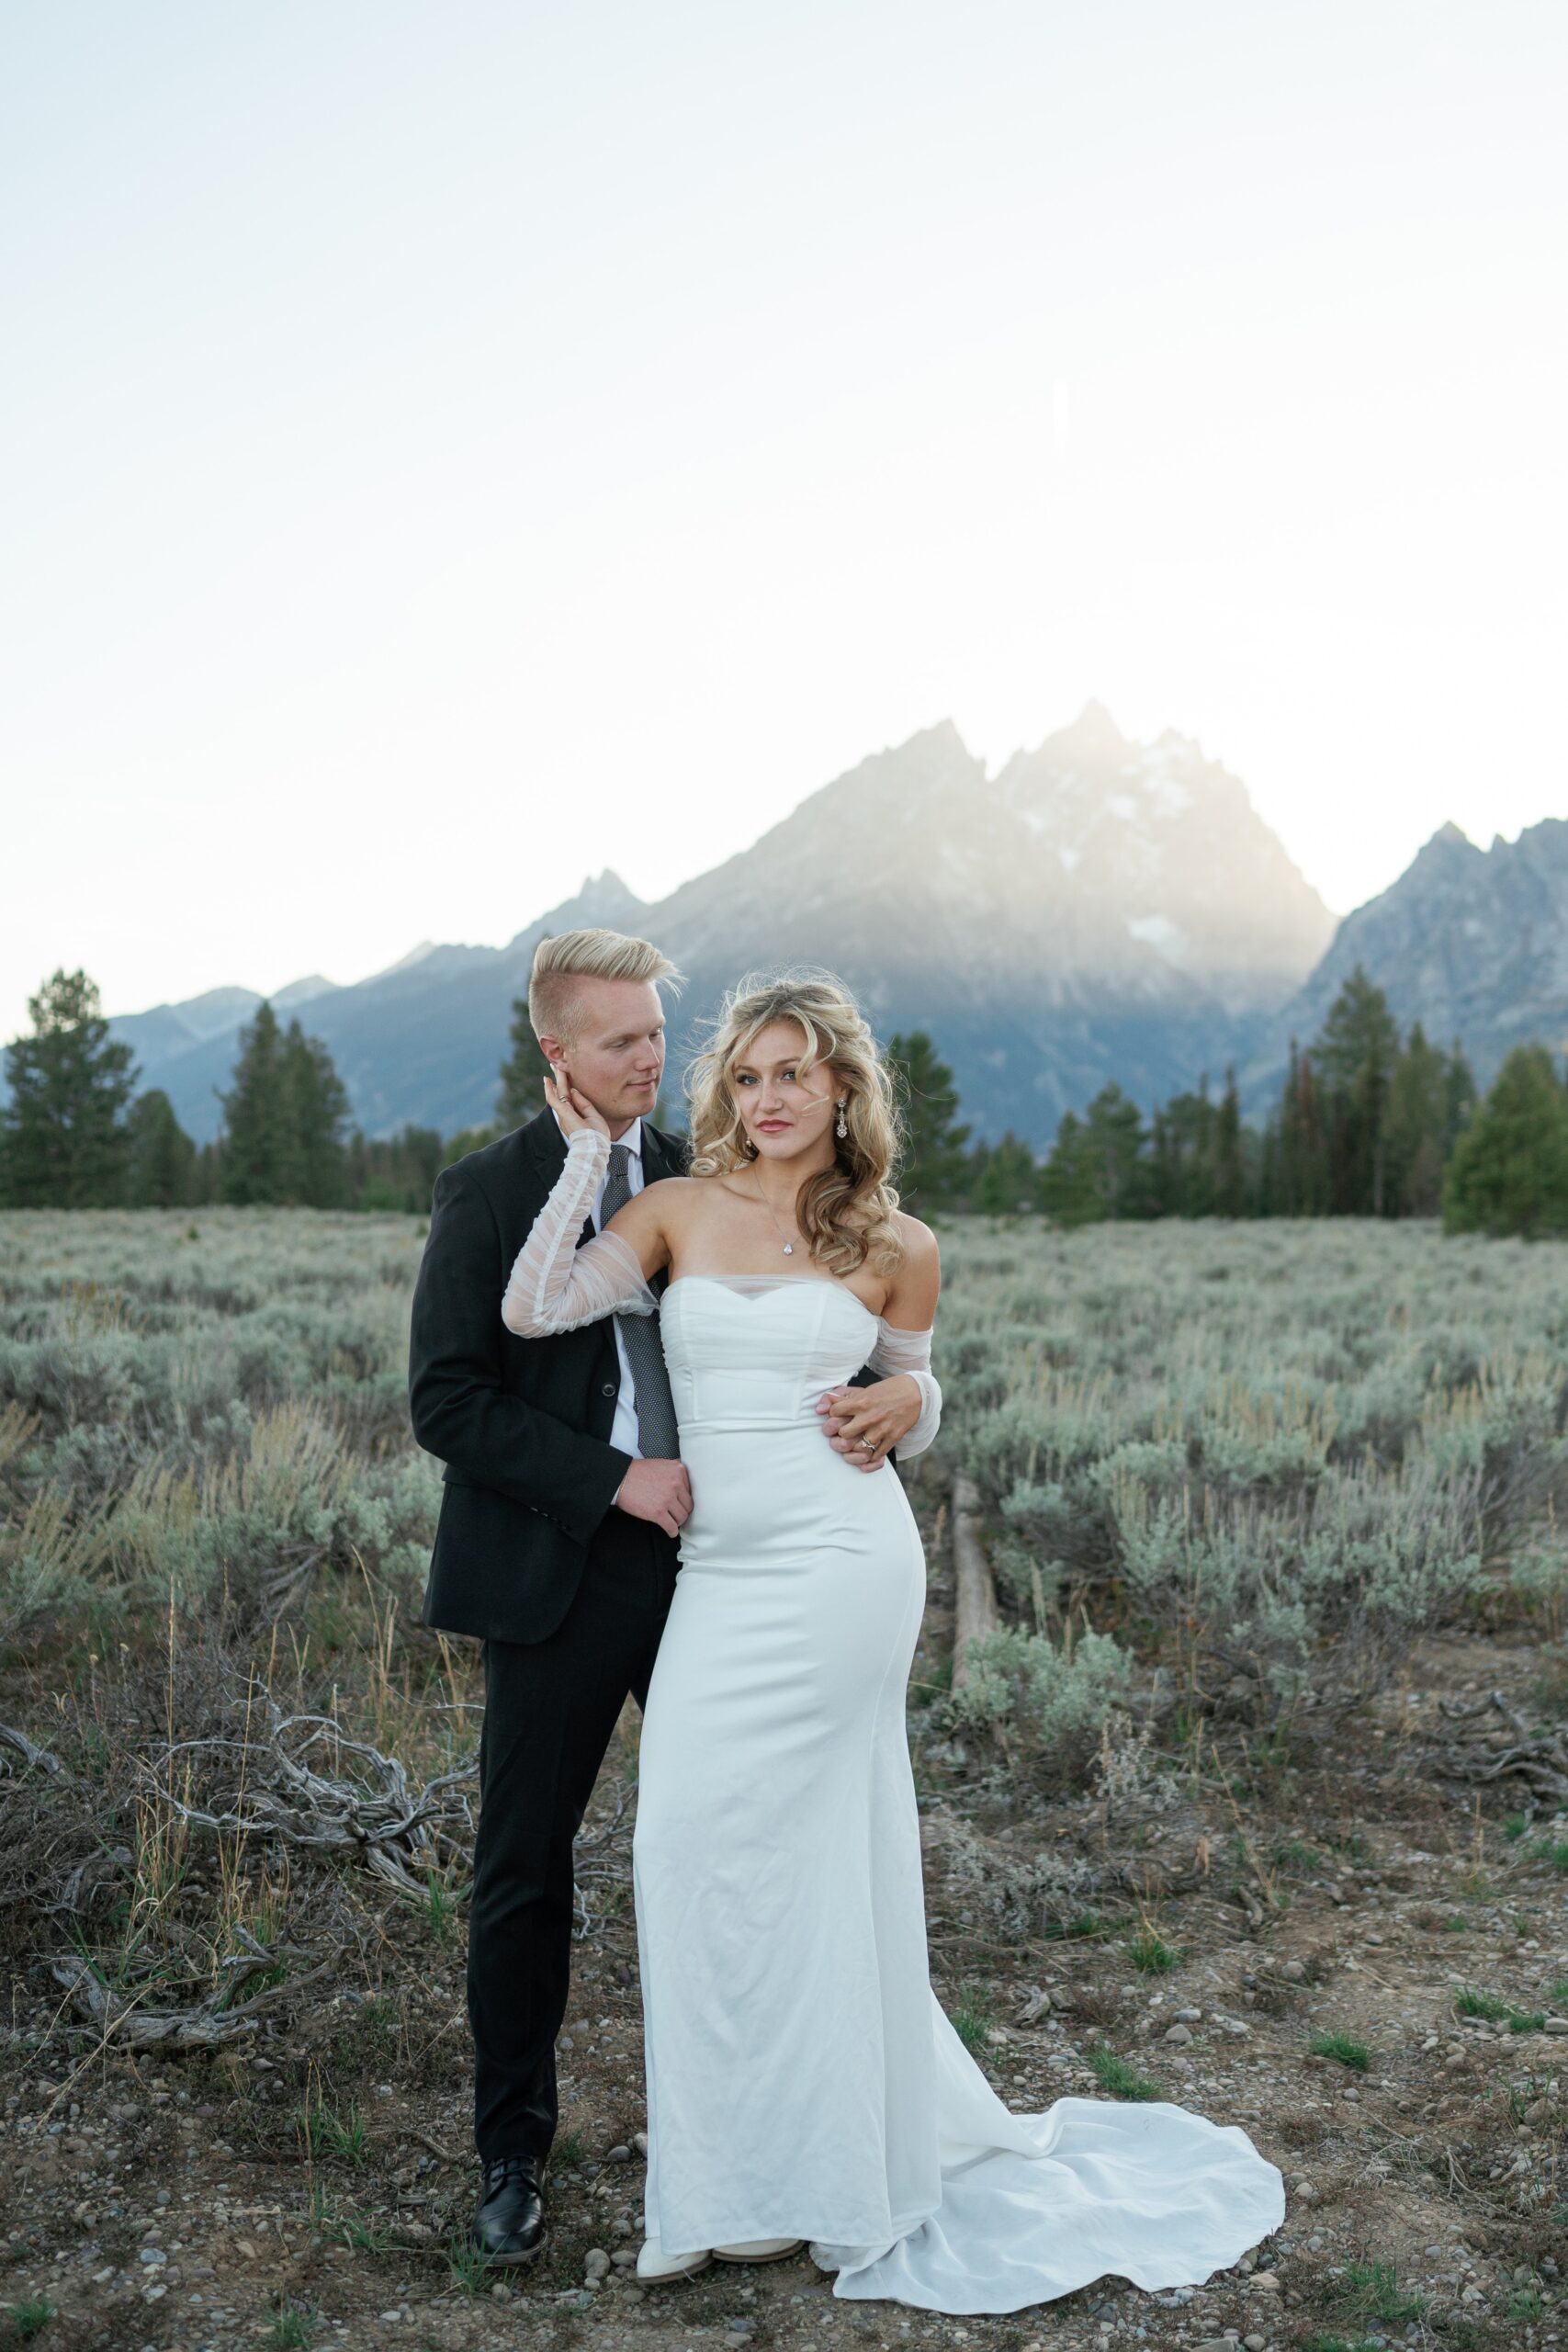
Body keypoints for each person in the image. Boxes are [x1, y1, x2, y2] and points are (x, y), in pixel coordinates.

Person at [499, 967, 1285, 2314]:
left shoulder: (896, 1239)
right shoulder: (675, 1206)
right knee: (690, 1848)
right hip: (721, 1577)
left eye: (794, 1072)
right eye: (746, 1076)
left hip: (842, 1570)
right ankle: (738, 2175)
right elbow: (537, 1309)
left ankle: (812, 2177)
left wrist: (906, 1407)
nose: (769, 1097)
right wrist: (583, 1154)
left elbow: (915, 1382)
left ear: (843, 1085)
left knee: (811, 1860)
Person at [407, 930, 922, 2267]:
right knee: (529, 1868)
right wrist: (613, 1482)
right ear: (558, 1051)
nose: (652, 1060)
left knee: (758, 1854)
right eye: (623, 1041)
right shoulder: (492, 1188)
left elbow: (883, 1337)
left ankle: (783, 2143)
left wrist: (915, 1396)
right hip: (568, 1566)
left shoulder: (723, 1180)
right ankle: (514, 2152)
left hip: (749, 1574)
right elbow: (448, 1399)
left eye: (658, 1035)